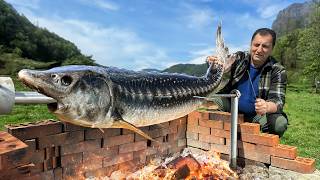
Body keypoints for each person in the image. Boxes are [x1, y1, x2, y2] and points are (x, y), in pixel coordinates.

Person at [207, 28, 288, 137]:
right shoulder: (239, 58)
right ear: (251, 45)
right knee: (208, 100)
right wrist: (214, 65)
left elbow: (278, 101)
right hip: (231, 106)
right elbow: (222, 68)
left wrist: (267, 106)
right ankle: (216, 136)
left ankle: (260, 146)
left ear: (271, 49)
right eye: (256, 45)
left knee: (279, 124)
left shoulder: (277, 70)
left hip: (257, 115)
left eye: (265, 46)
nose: (259, 50)